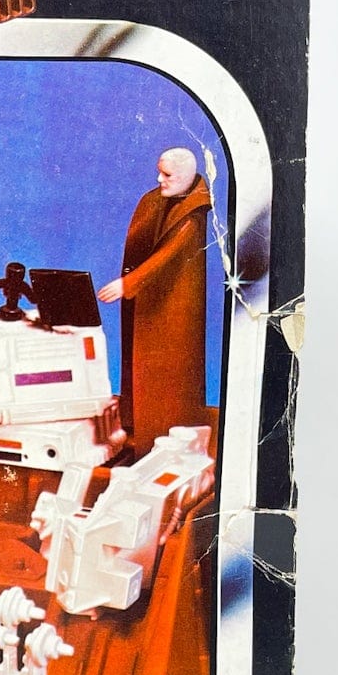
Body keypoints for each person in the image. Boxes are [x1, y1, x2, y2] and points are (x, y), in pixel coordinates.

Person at [97, 147, 212, 455]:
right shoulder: (156, 200)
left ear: (186, 176)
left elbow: (166, 257)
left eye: (167, 174)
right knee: (141, 373)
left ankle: (157, 445)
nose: (159, 179)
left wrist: (127, 284)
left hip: (171, 310)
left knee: (166, 382)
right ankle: (138, 432)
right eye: (160, 172)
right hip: (148, 302)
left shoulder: (193, 218)